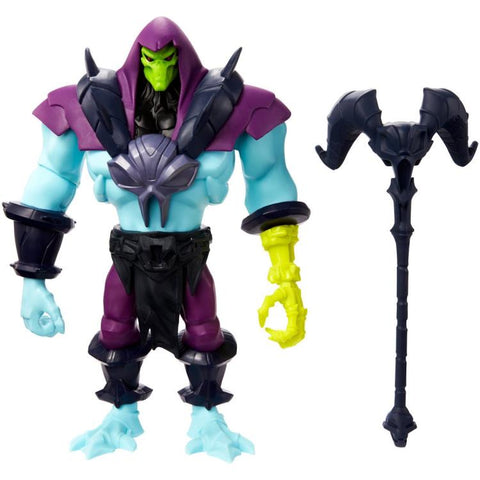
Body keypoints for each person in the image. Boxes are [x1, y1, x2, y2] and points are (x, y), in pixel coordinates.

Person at [3, 16, 309, 462]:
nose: (160, 71)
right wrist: (33, 278)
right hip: (127, 253)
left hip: (190, 252)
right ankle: (121, 414)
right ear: (139, 61)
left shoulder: (241, 107)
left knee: (205, 332)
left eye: (168, 61)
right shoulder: (85, 107)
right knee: (114, 329)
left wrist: (285, 272)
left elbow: (269, 184)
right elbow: (50, 181)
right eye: (151, 60)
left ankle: (207, 417)